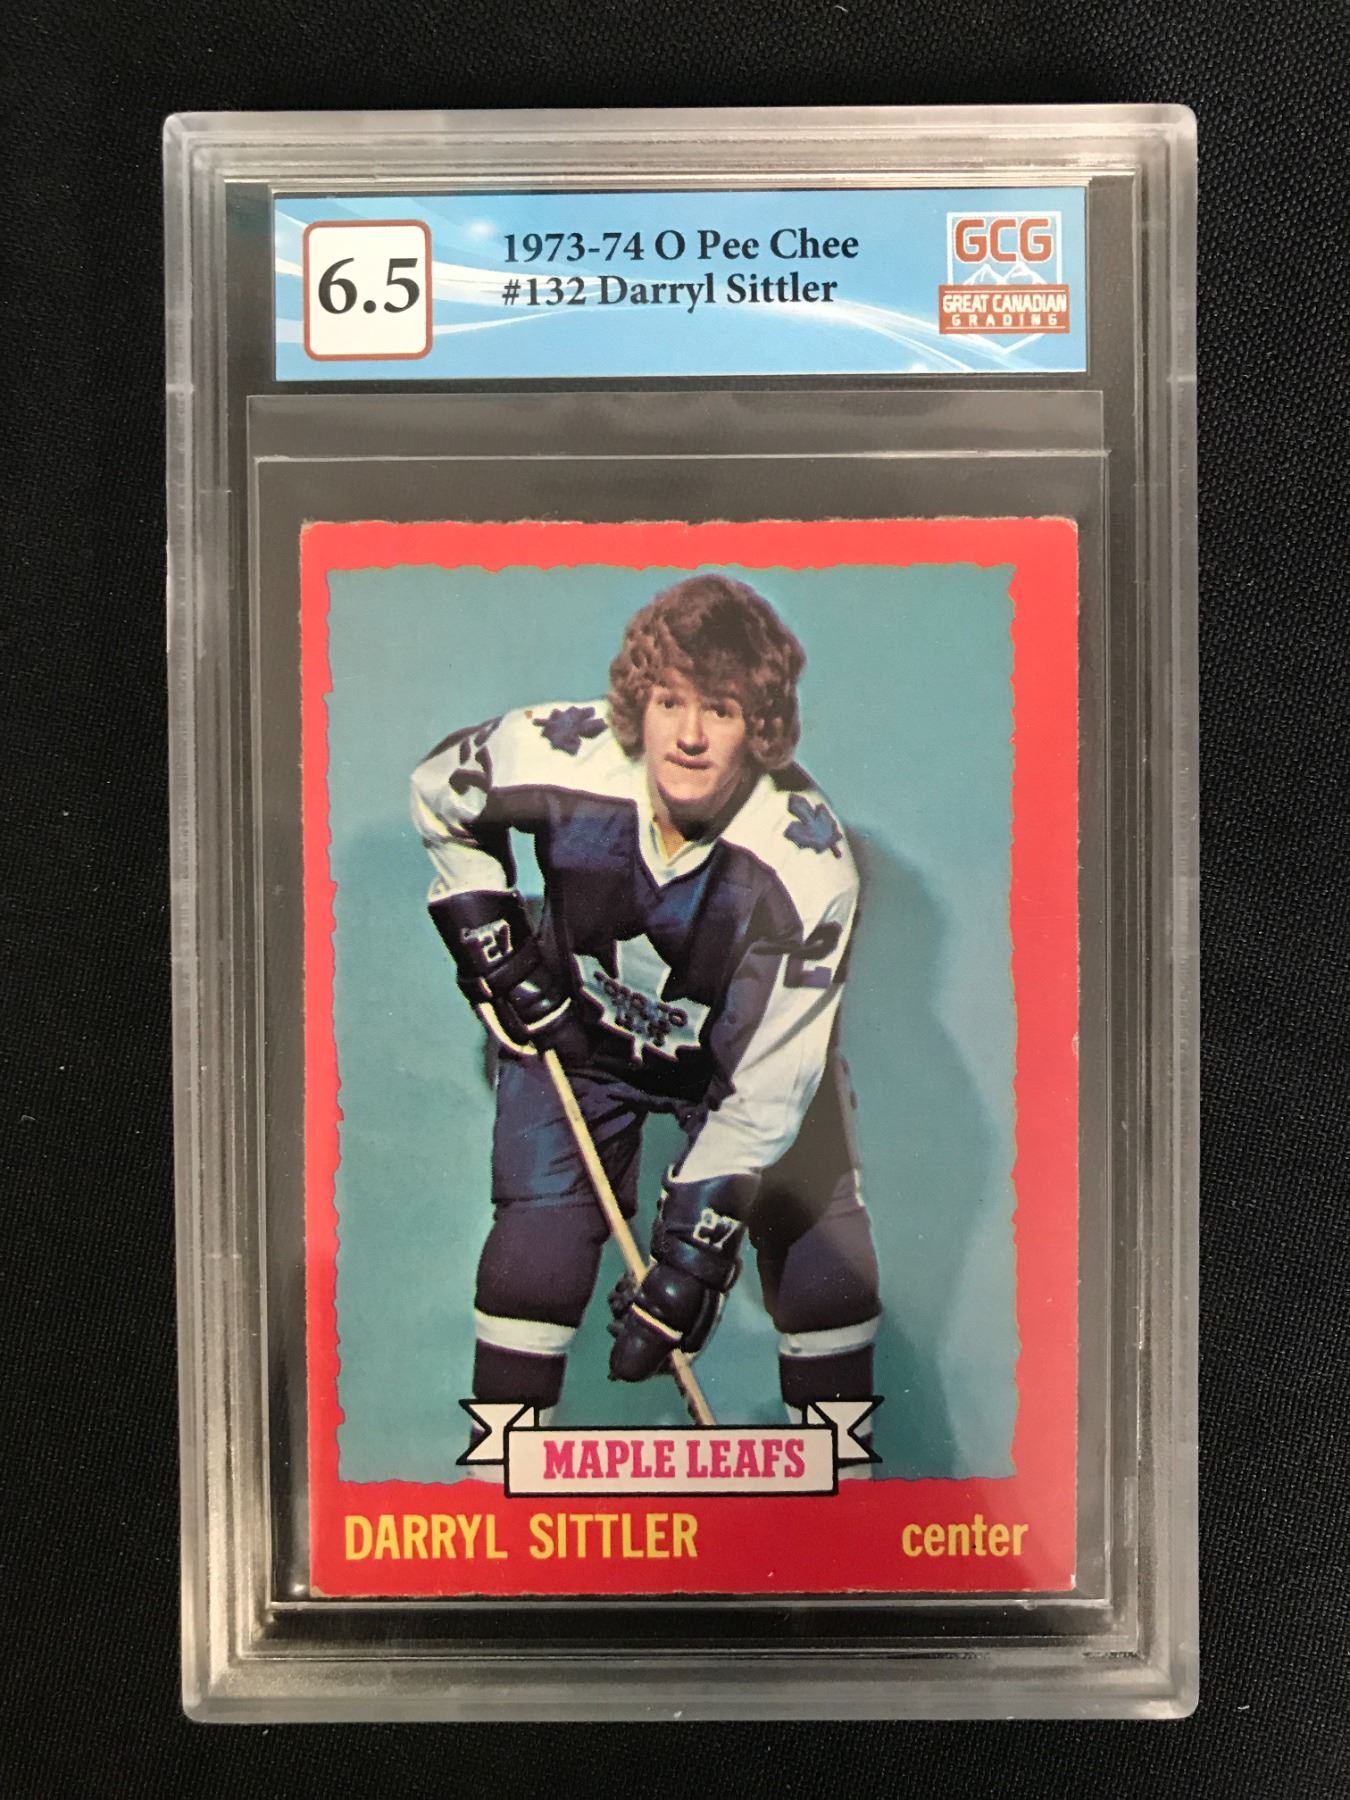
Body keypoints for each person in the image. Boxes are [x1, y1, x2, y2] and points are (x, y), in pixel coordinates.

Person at [411, 573, 880, 1429]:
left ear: (761, 726)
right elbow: (440, 790)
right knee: (536, 1242)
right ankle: (501, 1474)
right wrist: (491, 934)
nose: (690, 736)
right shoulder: (559, 751)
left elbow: (769, 1092)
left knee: (819, 1236)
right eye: (670, 702)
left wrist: (692, 1256)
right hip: (581, 1035)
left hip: (744, 1066)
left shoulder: (809, 863)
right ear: (638, 703)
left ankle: (844, 1473)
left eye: (722, 710)